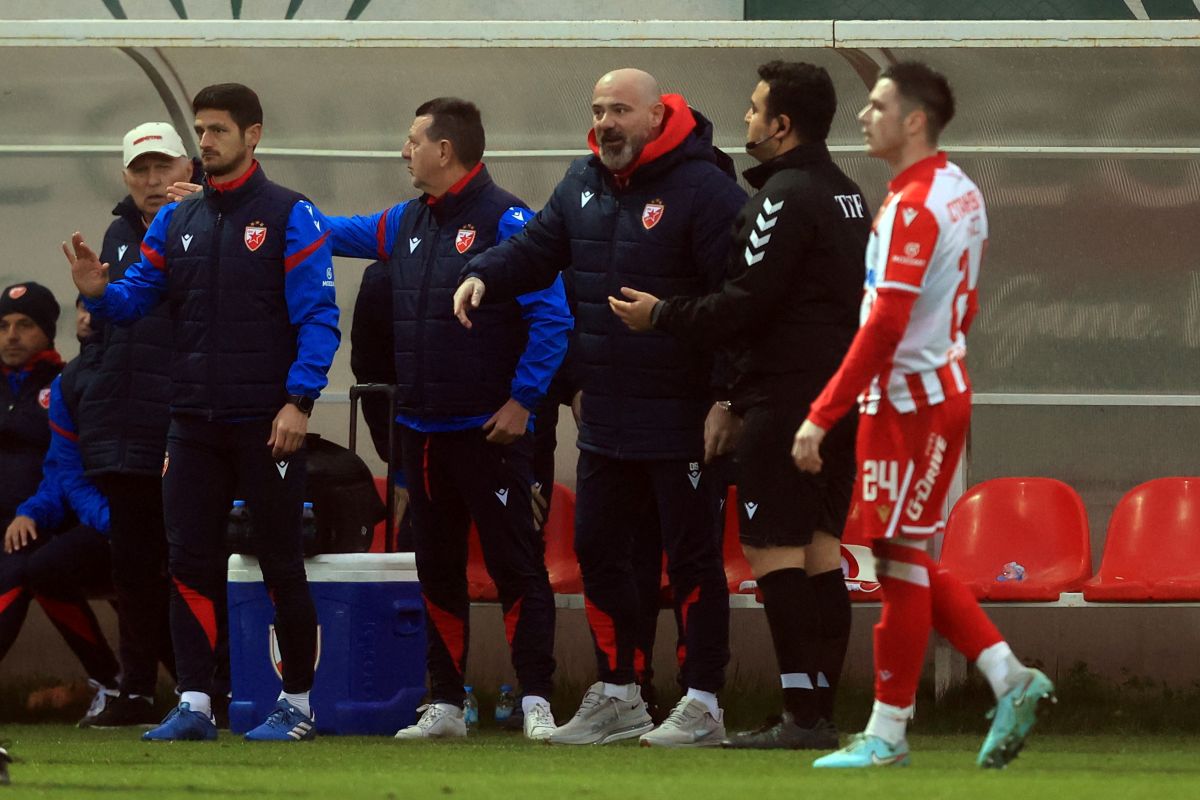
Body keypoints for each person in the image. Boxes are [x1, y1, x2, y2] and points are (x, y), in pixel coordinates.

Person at [454, 68, 747, 747]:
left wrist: (727, 397)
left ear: (657, 116)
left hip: (682, 416)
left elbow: (739, 304)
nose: (606, 123)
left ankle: (704, 701)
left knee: (692, 560)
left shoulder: (706, 189)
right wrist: (482, 274)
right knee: (597, 549)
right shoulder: (580, 181)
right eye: (597, 110)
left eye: (620, 110)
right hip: (608, 418)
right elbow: (535, 250)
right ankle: (620, 693)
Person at [791, 62, 1054, 769]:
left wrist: (821, 414)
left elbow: (886, 325)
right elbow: (966, 302)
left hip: (912, 404)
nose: (862, 117)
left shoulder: (915, 205)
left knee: (899, 563)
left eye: (877, 106)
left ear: (913, 121)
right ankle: (1006, 678)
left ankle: (889, 732)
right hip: (927, 392)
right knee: (902, 558)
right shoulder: (959, 188)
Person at [64, 82, 340, 742]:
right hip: (190, 422)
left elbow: (319, 319)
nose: (206, 141)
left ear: (253, 135)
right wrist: (99, 293)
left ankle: (297, 705)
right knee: (188, 564)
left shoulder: (290, 213)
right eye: (202, 129)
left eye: (218, 129)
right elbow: (135, 300)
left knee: (280, 563)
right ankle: (194, 703)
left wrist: (299, 401)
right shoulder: (175, 221)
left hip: (267, 423)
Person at [609, 60, 868, 749]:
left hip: (784, 401)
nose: (747, 118)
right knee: (819, 550)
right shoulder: (849, 194)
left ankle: (799, 716)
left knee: (772, 548)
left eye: (756, 109)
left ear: (781, 125)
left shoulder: (782, 197)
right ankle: (817, 714)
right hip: (838, 399)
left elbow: (745, 302)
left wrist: (662, 314)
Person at [326, 97, 571, 741]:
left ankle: (537, 699)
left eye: (412, 140)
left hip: (490, 432)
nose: (403, 151)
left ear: (444, 149)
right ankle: (444, 705)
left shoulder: (509, 221)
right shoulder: (404, 220)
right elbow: (327, 231)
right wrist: (255, 210)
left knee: (517, 566)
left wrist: (524, 401)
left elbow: (553, 319)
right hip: (423, 433)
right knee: (434, 568)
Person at [75, 122, 198, 728]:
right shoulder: (118, 231)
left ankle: (210, 687)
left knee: (190, 564)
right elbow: (105, 324)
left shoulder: (210, 223)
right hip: (125, 425)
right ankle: (137, 691)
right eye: (140, 170)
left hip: (186, 424)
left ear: (188, 168)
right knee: (132, 568)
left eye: (162, 167)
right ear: (126, 176)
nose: (152, 180)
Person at [1, 289, 121, 719]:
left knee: (25, 574)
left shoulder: (64, 383)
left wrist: (31, 511)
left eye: (25, 325)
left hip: (35, 527)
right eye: (3, 326)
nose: (12, 336)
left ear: (48, 331)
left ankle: (110, 680)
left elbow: (63, 470)